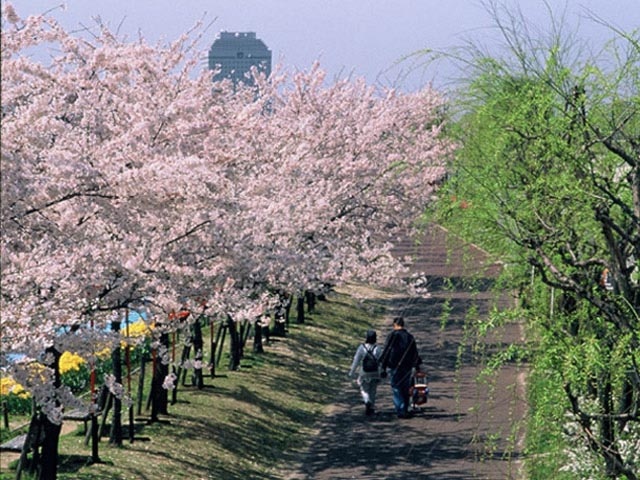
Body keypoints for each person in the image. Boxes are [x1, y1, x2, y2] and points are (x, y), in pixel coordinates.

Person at [379, 316, 422, 418]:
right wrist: (417, 366)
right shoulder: (409, 336)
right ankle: (405, 408)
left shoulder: (392, 336)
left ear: (395, 325)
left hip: (394, 366)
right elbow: (414, 352)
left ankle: (401, 409)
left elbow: (387, 351)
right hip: (407, 367)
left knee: (396, 387)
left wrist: (383, 367)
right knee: (405, 388)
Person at [348, 329, 382, 416]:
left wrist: (352, 372)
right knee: (373, 391)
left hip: (364, 372)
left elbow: (356, 360)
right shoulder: (377, 348)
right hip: (375, 372)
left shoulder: (362, 348)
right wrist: (382, 371)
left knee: (364, 389)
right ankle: (372, 408)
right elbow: (381, 361)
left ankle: (367, 401)